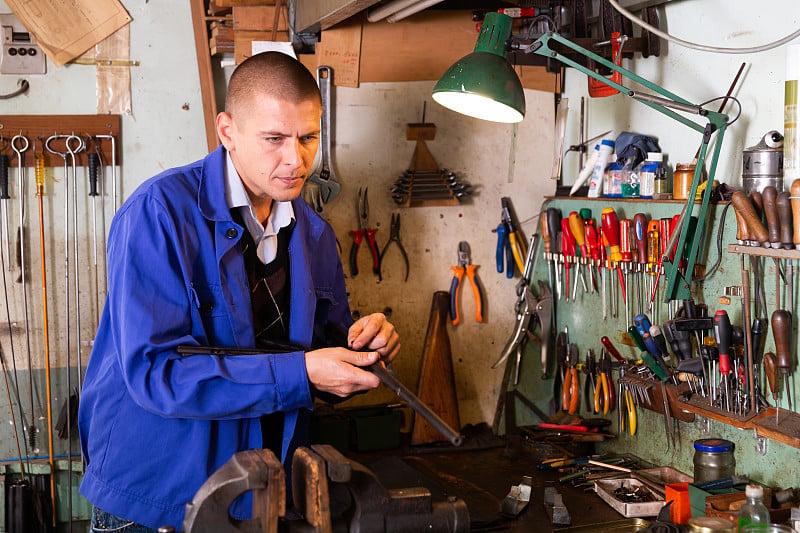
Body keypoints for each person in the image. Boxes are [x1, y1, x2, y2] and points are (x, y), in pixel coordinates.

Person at [78, 51, 400, 531]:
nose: (296, 159)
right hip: (157, 498)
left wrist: (362, 352)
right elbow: (155, 372)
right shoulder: (159, 215)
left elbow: (316, 364)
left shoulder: (314, 236)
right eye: (274, 139)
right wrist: (302, 371)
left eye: (309, 137)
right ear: (227, 131)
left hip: (261, 496)